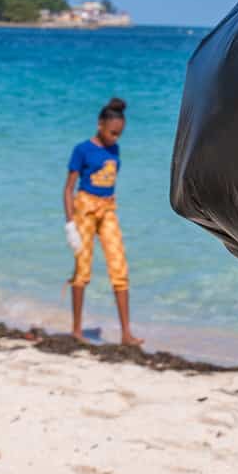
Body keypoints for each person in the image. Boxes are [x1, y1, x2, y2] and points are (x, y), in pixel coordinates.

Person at [63, 97, 143, 346]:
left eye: (119, 134)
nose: (115, 138)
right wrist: (70, 225)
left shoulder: (114, 149)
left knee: (120, 269)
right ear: (100, 125)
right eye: (112, 133)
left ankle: (126, 333)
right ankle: (76, 330)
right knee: (82, 270)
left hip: (108, 208)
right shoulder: (82, 149)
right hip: (85, 208)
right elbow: (68, 189)